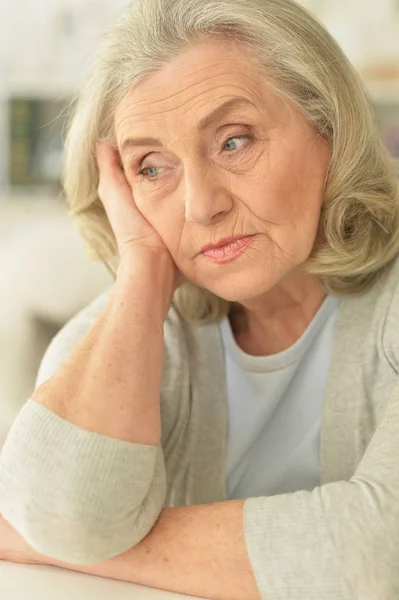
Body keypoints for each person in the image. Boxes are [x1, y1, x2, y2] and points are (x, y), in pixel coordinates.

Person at [1, 0, 399, 598]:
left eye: (233, 141)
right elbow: (59, 516)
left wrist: (98, 550)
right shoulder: (139, 321)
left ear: (331, 131)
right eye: (152, 168)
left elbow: (378, 551)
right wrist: (141, 271)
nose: (200, 205)